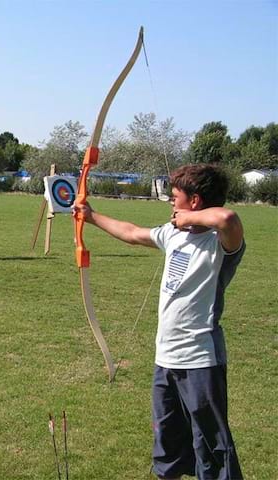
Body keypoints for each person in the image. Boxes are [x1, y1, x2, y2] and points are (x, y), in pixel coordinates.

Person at [72, 164, 245, 479]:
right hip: (165, 358)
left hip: (200, 359)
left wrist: (188, 220)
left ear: (194, 202)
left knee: (212, 446)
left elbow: (227, 218)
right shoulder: (172, 235)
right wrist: (91, 216)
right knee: (167, 440)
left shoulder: (220, 244)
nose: (170, 203)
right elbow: (133, 233)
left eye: (175, 197)